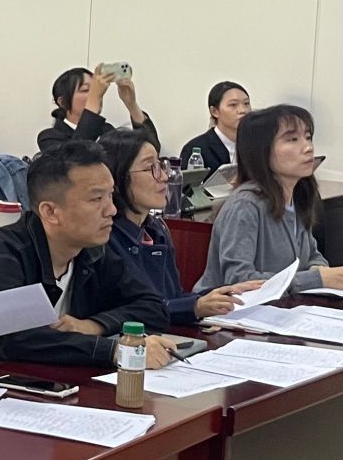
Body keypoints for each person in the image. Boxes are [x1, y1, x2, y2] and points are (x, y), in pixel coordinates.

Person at [0, 142, 173, 366]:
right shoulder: (5, 253)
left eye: (110, 195)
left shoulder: (92, 251)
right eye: (97, 199)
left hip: (57, 379)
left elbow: (153, 307)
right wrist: (116, 351)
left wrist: (95, 325)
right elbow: (13, 338)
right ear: (50, 212)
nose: (112, 210)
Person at [97, 128, 263, 324]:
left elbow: (173, 297)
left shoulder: (156, 229)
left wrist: (225, 293)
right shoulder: (104, 236)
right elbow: (131, 311)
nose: (164, 177)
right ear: (116, 177)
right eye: (150, 168)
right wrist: (194, 306)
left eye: (161, 165)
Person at [201, 106, 343, 294]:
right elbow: (239, 280)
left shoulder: (297, 196)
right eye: (292, 139)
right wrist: (317, 278)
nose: (308, 147)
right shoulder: (245, 205)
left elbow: (313, 256)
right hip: (237, 308)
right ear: (261, 150)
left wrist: (323, 272)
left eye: (308, 137)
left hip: (286, 305)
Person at [38, 66, 155, 155]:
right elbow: (76, 159)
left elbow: (149, 152)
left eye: (95, 89)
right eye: (86, 90)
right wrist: (92, 103)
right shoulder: (50, 137)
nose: (97, 94)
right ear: (62, 102)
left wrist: (132, 105)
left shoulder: (107, 130)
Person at [176, 81, 250, 174]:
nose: (243, 110)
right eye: (233, 105)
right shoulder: (196, 149)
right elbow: (188, 183)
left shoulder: (255, 144)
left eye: (246, 103)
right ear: (215, 111)